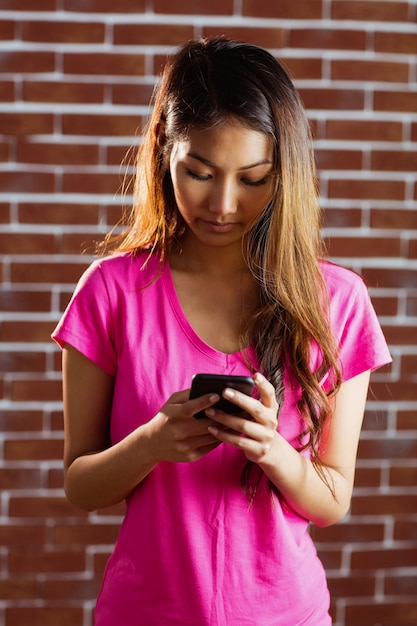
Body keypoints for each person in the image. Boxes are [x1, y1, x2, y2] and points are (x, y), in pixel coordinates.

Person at [52, 37, 391, 625]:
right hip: (144, 613)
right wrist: (152, 442)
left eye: (254, 178)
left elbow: (333, 499)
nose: (224, 204)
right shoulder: (111, 291)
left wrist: (273, 452)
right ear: (164, 151)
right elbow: (81, 485)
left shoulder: (338, 301)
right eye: (200, 172)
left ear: (284, 173)